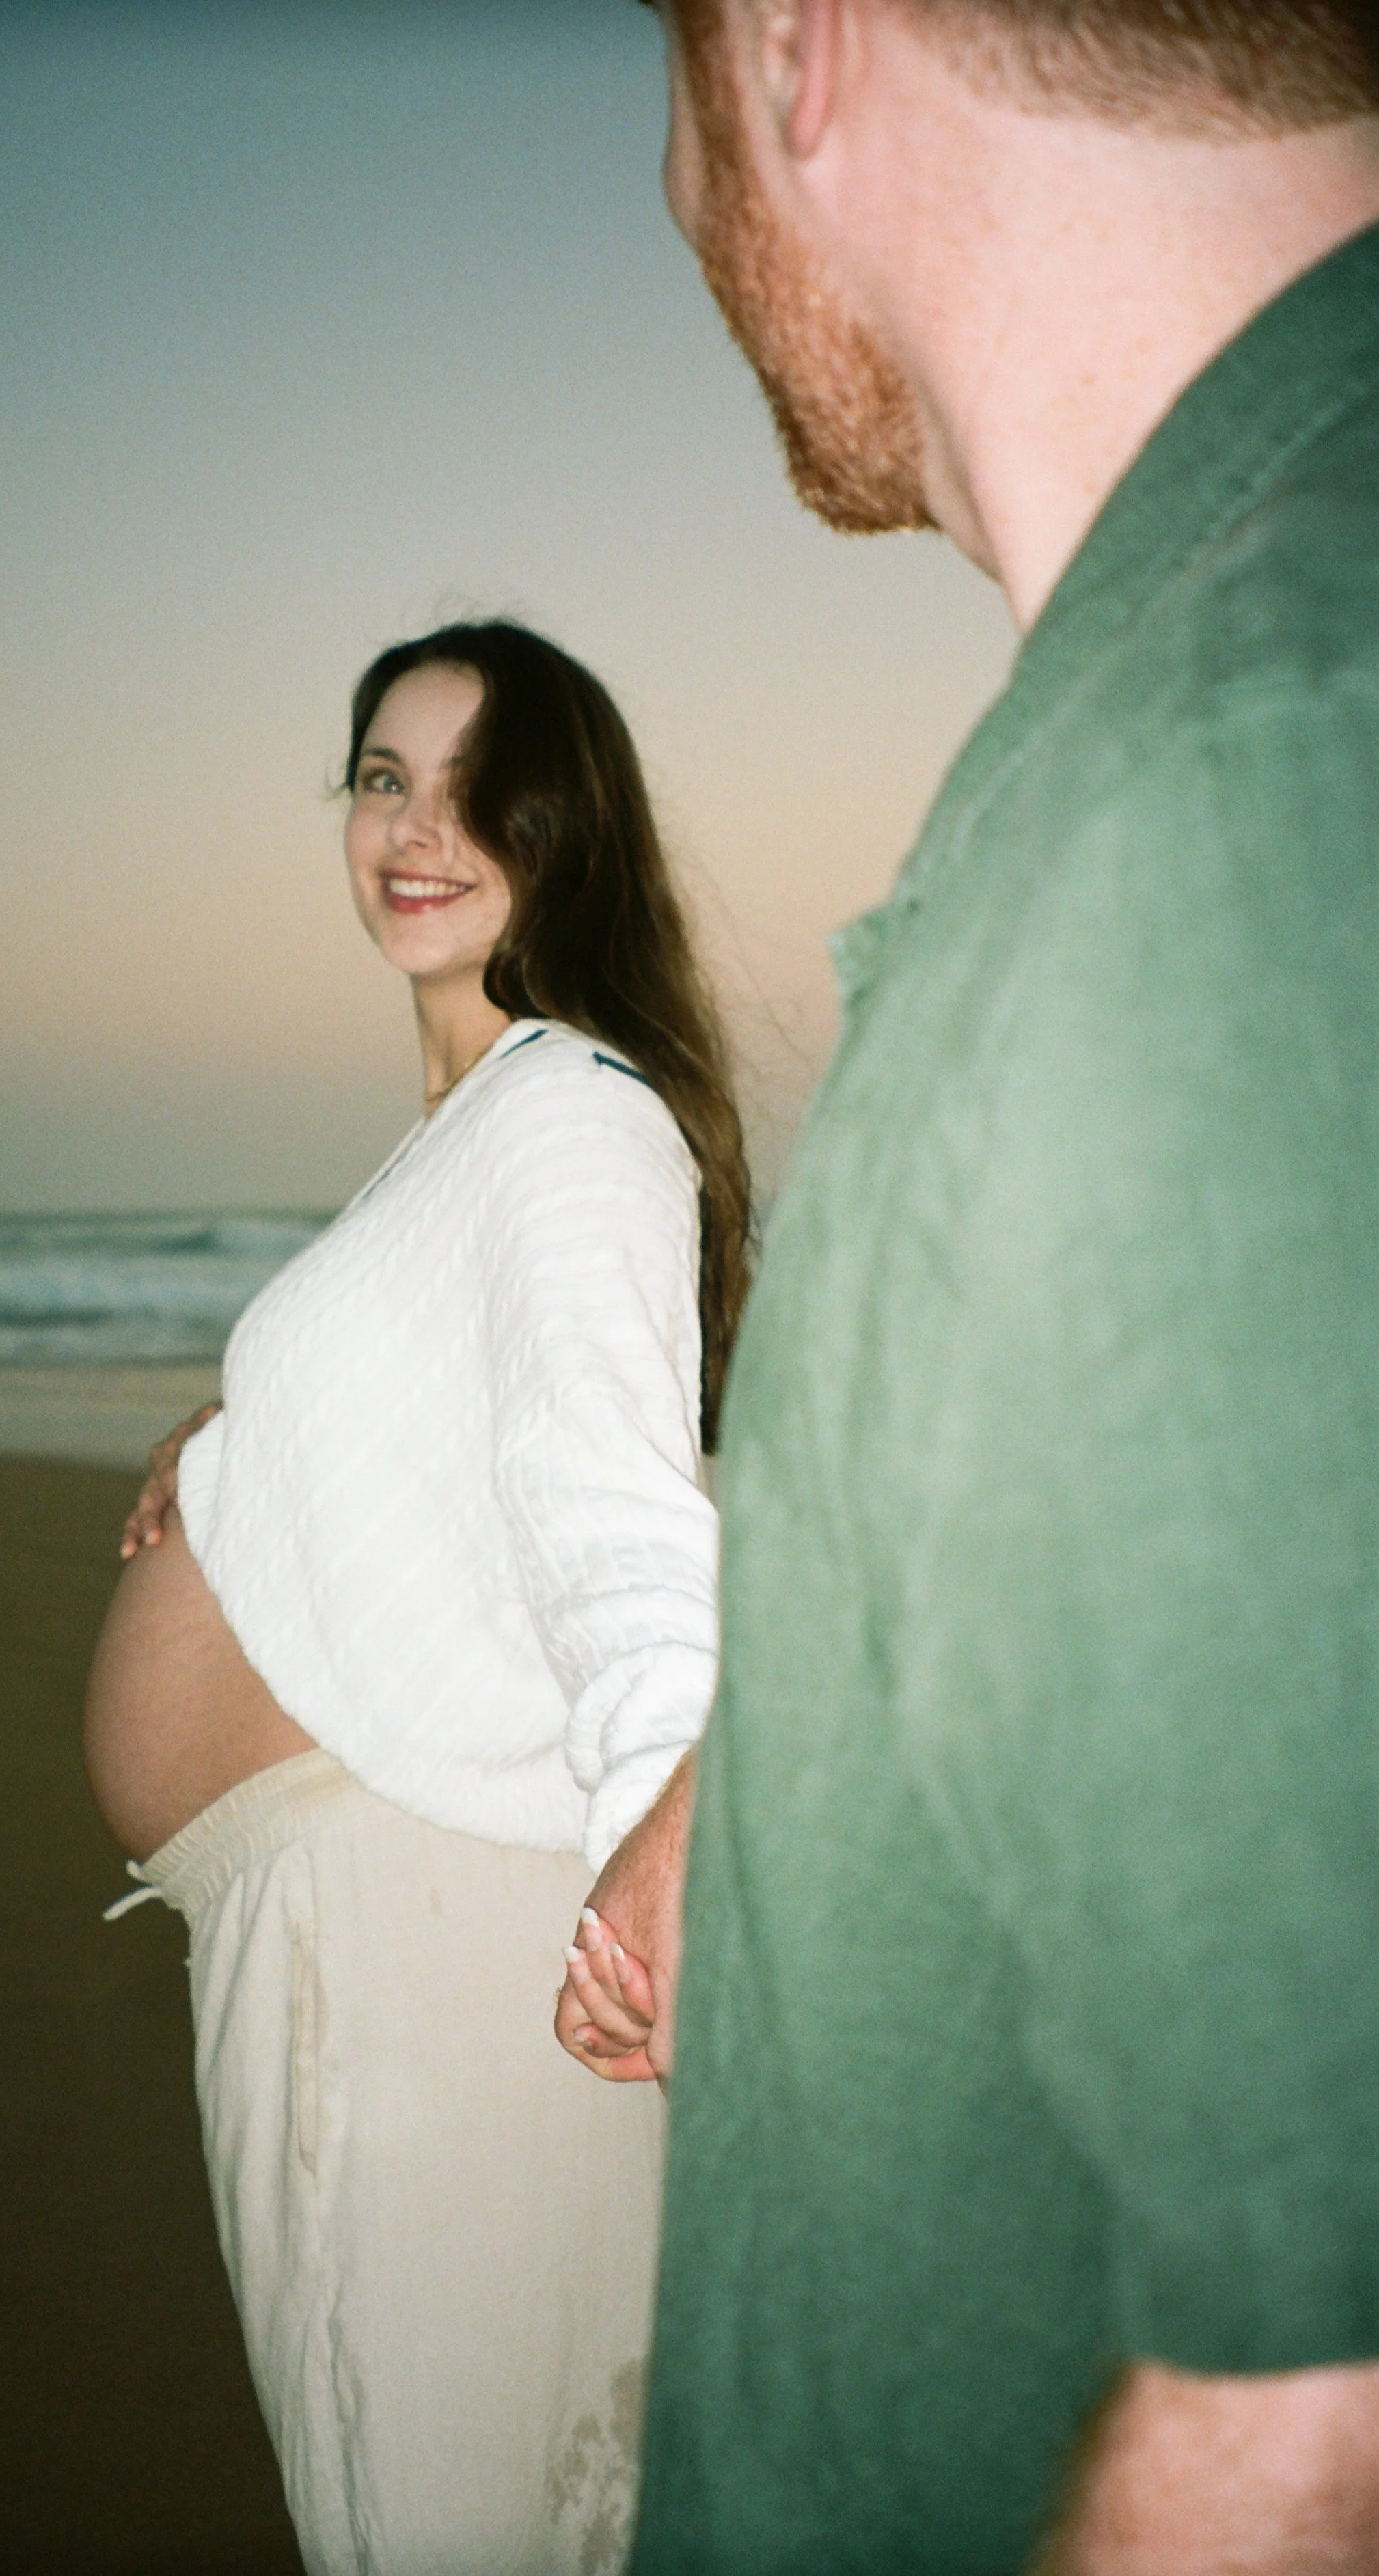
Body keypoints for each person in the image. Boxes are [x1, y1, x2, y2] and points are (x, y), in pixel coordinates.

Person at [567, 3, 1379, 2568]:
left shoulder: (1218, 820)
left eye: (664, 94)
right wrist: (828, 1758)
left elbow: (1319, 2429)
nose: (677, 203)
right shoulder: (1224, 682)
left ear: (790, 51)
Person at [81, 618, 750, 2576]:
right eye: (382, 776)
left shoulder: (562, 1114)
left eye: (472, 786)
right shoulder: (465, 1142)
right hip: (356, 1916)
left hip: (426, 1942)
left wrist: (660, 1843)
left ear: (571, 827)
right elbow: (469, 1427)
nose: (414, 824)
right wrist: (242, 1445)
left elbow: (615, 1511)